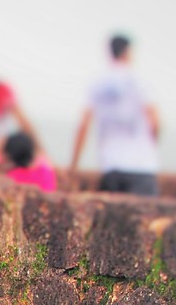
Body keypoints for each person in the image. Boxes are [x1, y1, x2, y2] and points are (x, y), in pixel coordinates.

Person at [68, 35, 160, 196]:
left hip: (111, 164)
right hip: (143, 165)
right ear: (128, 52)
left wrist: (74, 165)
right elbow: (155, 122)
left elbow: (84, 125)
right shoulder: (141, 81)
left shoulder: (98, 83)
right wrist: (149, 147)